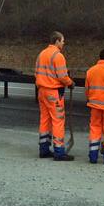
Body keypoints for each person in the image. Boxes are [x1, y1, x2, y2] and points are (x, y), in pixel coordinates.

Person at [34, 31, 75, 161]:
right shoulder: (58, 56)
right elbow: (62, 76)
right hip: (53, 91)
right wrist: (71, 83)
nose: (63, 43)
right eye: (62, 41)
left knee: (45, 119)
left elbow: (36, 72)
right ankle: (59, 151)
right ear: (57, 41)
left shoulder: (41, 54)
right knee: (58, 121)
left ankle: (44, 149)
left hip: (41, 91)